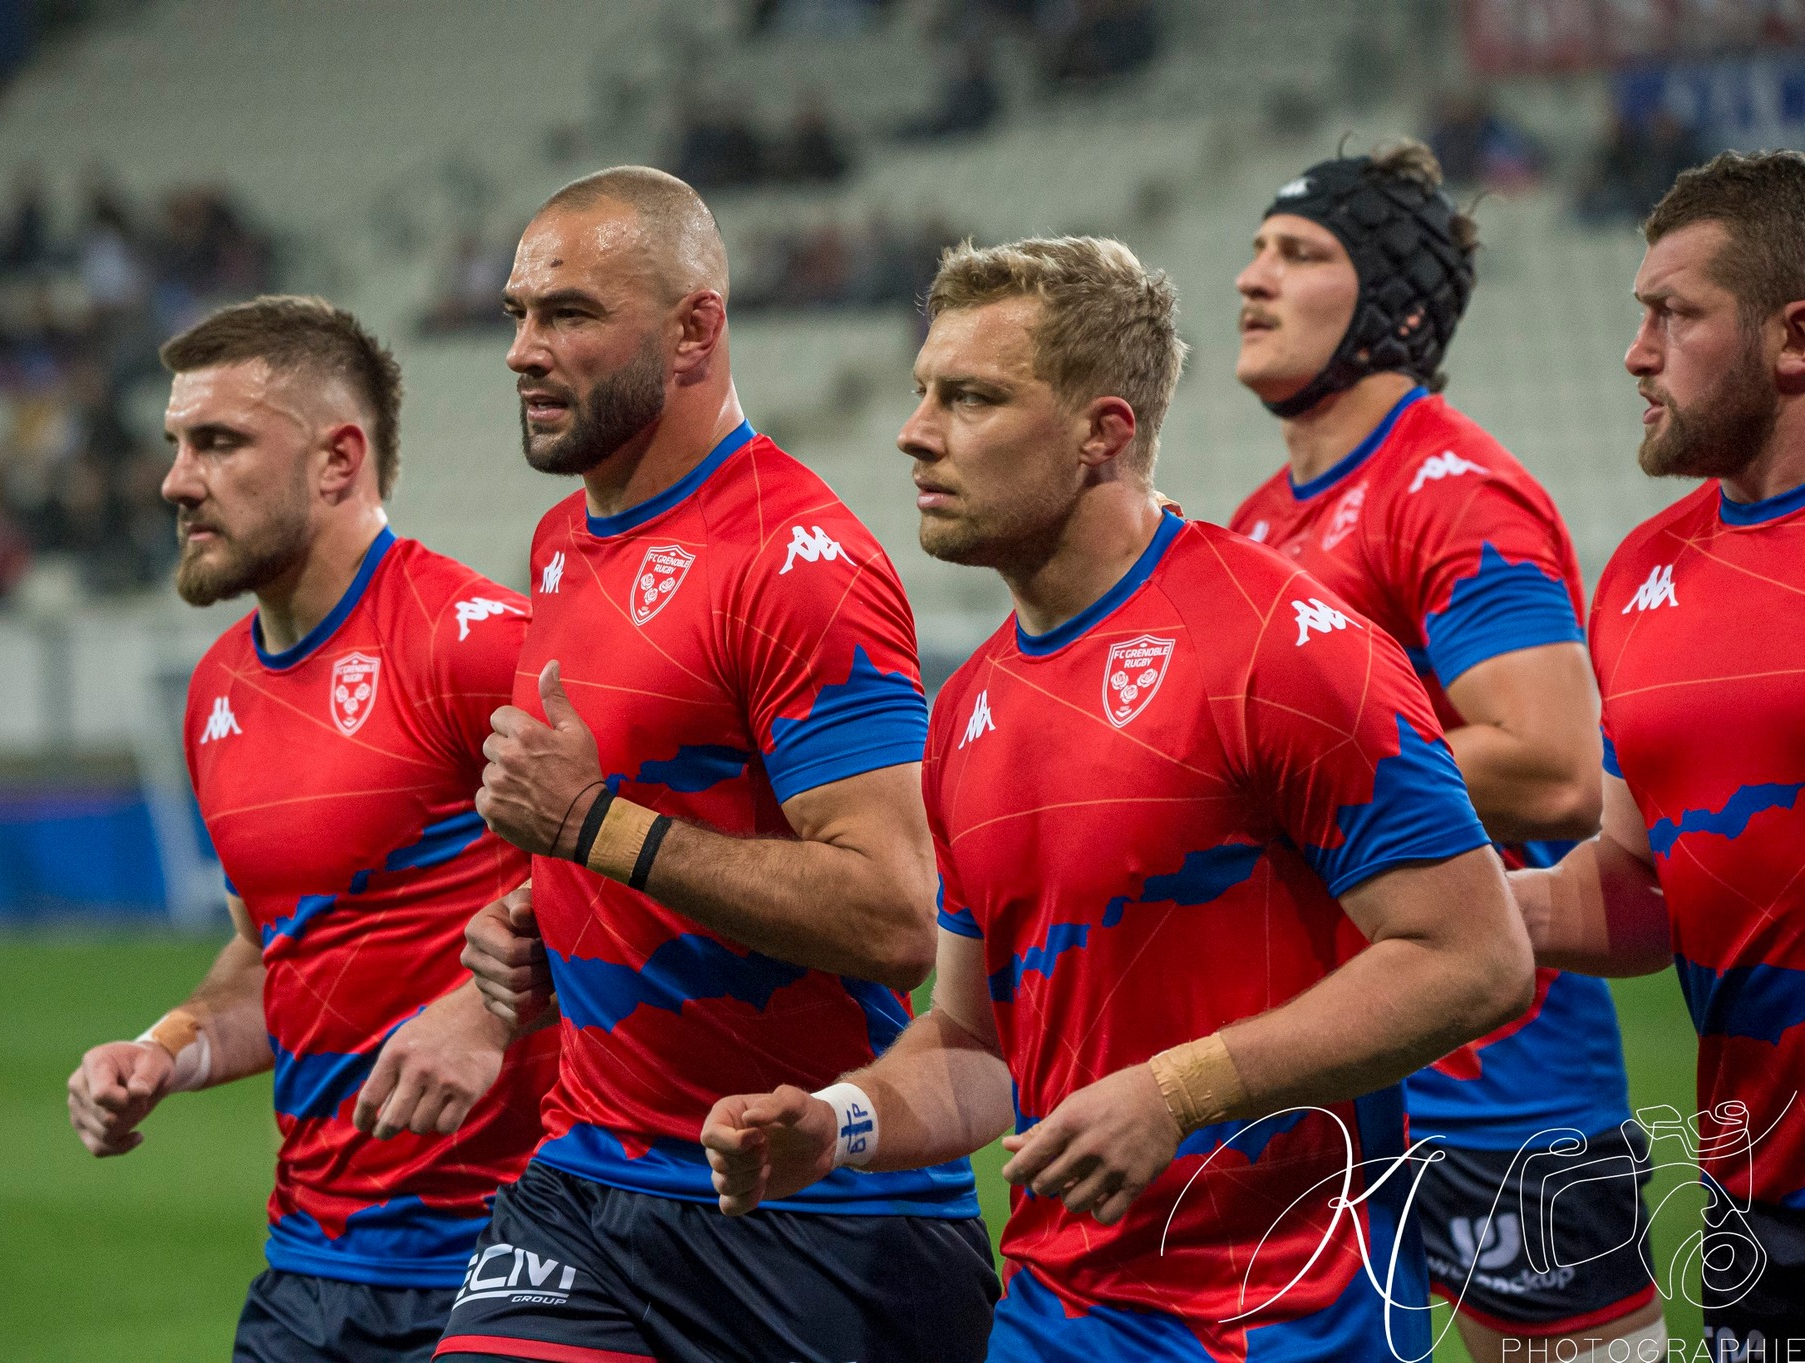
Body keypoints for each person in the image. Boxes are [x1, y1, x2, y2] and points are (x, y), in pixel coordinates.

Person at [701, 234, 1537, 1360]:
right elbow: (972, 1042)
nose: (915, 431)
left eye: (971, 397)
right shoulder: (965, 712)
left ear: (1103, 431)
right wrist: (837, 1123)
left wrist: (1178, 1089)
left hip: (1285, 1322)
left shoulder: (1282, 647)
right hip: (1052, 1318)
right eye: (921, 393)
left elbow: (1472, 958)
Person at [442, 165, 997, 1362]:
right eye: (517, 316)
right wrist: (544, 911)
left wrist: (593, 832)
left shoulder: (796, 561)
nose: (522, 352)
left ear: (695, 329)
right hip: (588, 1181)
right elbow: (656, 812)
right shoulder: (560, 540)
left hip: (814, 1215)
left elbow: (898, 916)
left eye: (570, 314)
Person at [1225, 143, 1667, 1361]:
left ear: (1392, 307)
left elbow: (1551, 762)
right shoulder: (1260, 523)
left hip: (1497, 1086)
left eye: (1299, 255)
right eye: (1257, 249)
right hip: (1325, 1079)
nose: (1250, 279)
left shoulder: (1453, 490)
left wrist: (1272, 780)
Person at [65, 296, 557, 1362]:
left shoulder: (473, 644)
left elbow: (643, 876)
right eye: (174, 445)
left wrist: (485, 1004)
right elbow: (273, 949)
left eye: (219, 442)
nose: (174, 480)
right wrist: (163, 1050)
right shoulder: (214, 692)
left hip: (513, 1262)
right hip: (312, 1268)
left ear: (338, 461)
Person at [1518, 149, 1805, 1362]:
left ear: (1792, 339)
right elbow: (1640, 885)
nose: (1634, 353)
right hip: (1761, 1200)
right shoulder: (1639, 573)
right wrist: (1441, 910)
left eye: (1673, 314)